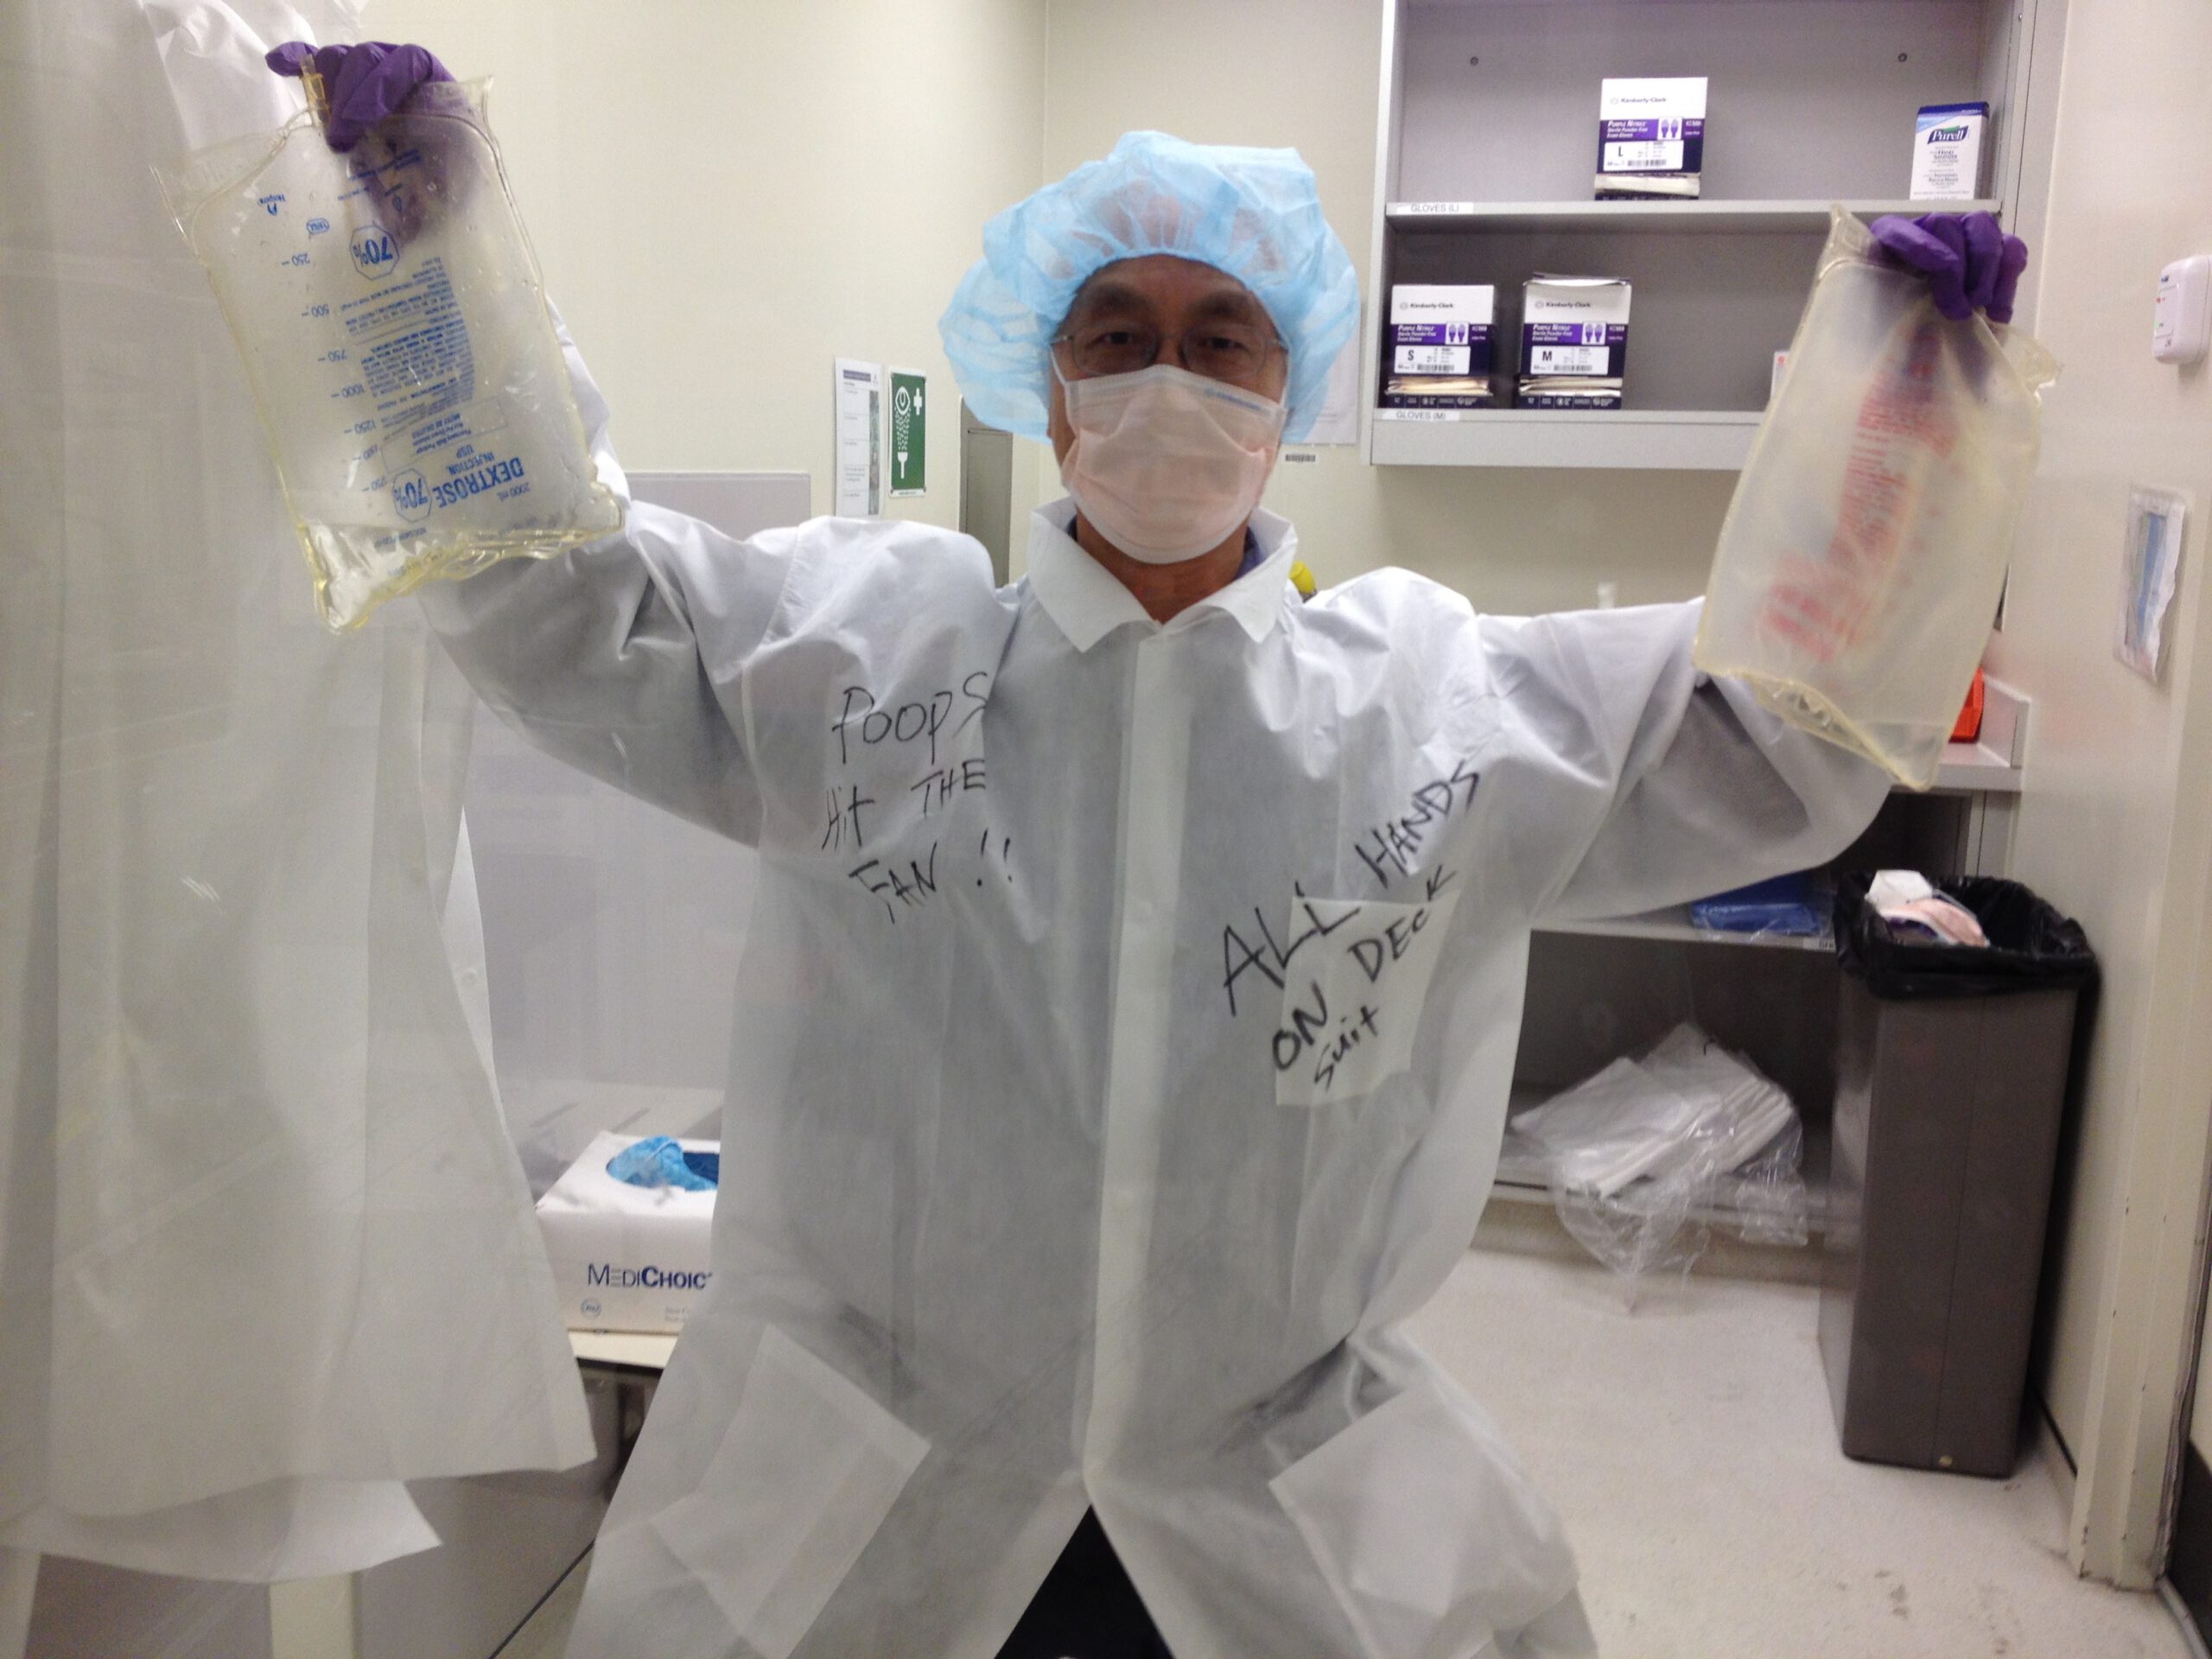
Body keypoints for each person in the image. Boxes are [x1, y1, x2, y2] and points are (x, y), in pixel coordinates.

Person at [269, 42, 2030, 1659]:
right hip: (876, 1486)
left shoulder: (1428, 709)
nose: (1166, 378)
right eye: (1115, 337)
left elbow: (1783, 735)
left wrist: (1907, 407)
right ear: (1049, 397)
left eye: (1220, 338)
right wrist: (423, 265)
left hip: (1271, 1498)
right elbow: (561, 603)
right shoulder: (869, 660)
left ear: (1286, 394)